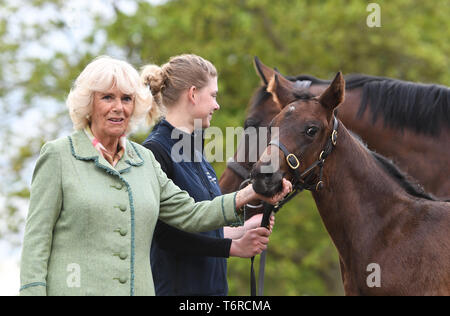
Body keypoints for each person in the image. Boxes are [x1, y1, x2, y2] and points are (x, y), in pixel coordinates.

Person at [18, 56, 292, 296]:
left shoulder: (144, 161)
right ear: (88, 104)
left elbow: (191, 214)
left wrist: (253, 191)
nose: (119, 107)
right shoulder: (58, 156)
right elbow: (36, 243)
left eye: (126, 99)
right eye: (107, 97)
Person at [140, 54, 275, 296]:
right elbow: (164, 235)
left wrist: (244, 228)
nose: (217, 104)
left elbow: (198, 222)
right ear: (192, 94)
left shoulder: (195, 152)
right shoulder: (155, 150)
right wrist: (233, 247)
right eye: (213, 95)